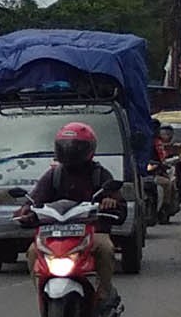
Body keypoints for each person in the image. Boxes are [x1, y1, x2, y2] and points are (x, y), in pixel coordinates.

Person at [20, 120, 124, 299]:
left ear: (89, 149)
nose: (70, 151)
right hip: (55, 234)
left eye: (76, 147)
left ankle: (105, 293)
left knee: (106, 249)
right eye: (65, 147)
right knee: (32, 252)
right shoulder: (54, 175)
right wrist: (25, 211)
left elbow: (120, 206)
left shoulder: (101, 174)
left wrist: (110, 203)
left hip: (92, 233)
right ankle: (42, 293)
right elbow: (34, 199)